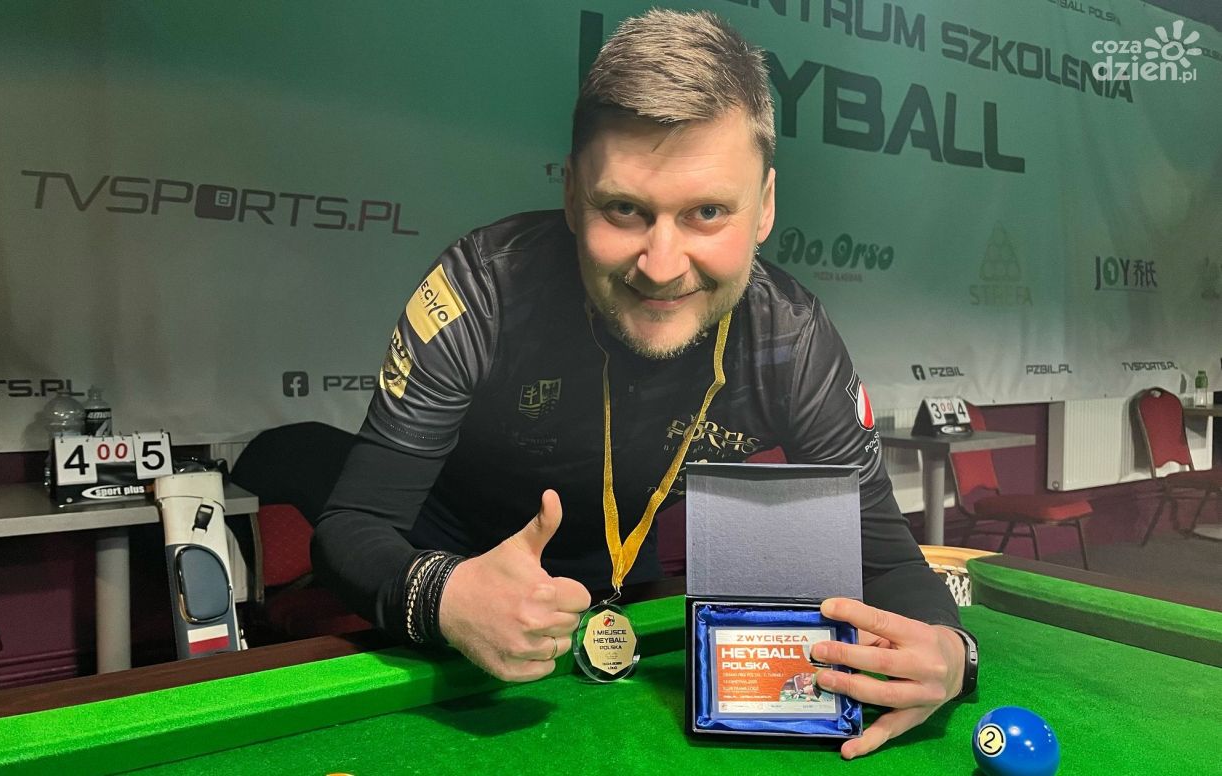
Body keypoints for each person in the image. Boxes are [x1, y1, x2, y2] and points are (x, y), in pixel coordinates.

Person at [313, 9, 972, 758]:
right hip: (456, 586)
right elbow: (352, 526)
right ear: (572, 195)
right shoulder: (482, 291)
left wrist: (951, 653)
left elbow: (885, 556)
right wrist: (445, 596)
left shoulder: (790, 338)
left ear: (765, 207)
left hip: (624, 582)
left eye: (707, 212)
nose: (661, 266)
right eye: (624, 209)